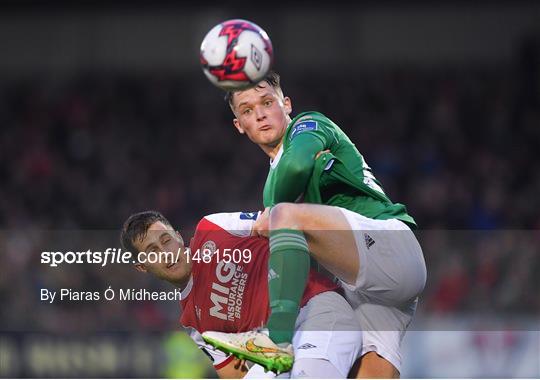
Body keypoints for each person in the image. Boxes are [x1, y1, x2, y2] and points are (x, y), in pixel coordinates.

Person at [205, 71, 427, 378]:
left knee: (283, 216)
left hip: (388, 245)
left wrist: (272, 213)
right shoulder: (276, 174)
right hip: (363, 284)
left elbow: (294, 169)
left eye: (267, 102)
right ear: (239, 125)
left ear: (286, 104)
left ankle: (276, 340)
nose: (260, 114)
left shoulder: (308, 126)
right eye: (247, 110)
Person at [120, 210, 362, 378]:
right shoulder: (194, 324)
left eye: (166, 240)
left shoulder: (213, 228)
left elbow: (278, 223)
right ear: (142, 266)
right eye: (153, 251)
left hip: (313, 309)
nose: (166, 252)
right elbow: (234, 375)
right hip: (272, 348)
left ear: (178, 237)